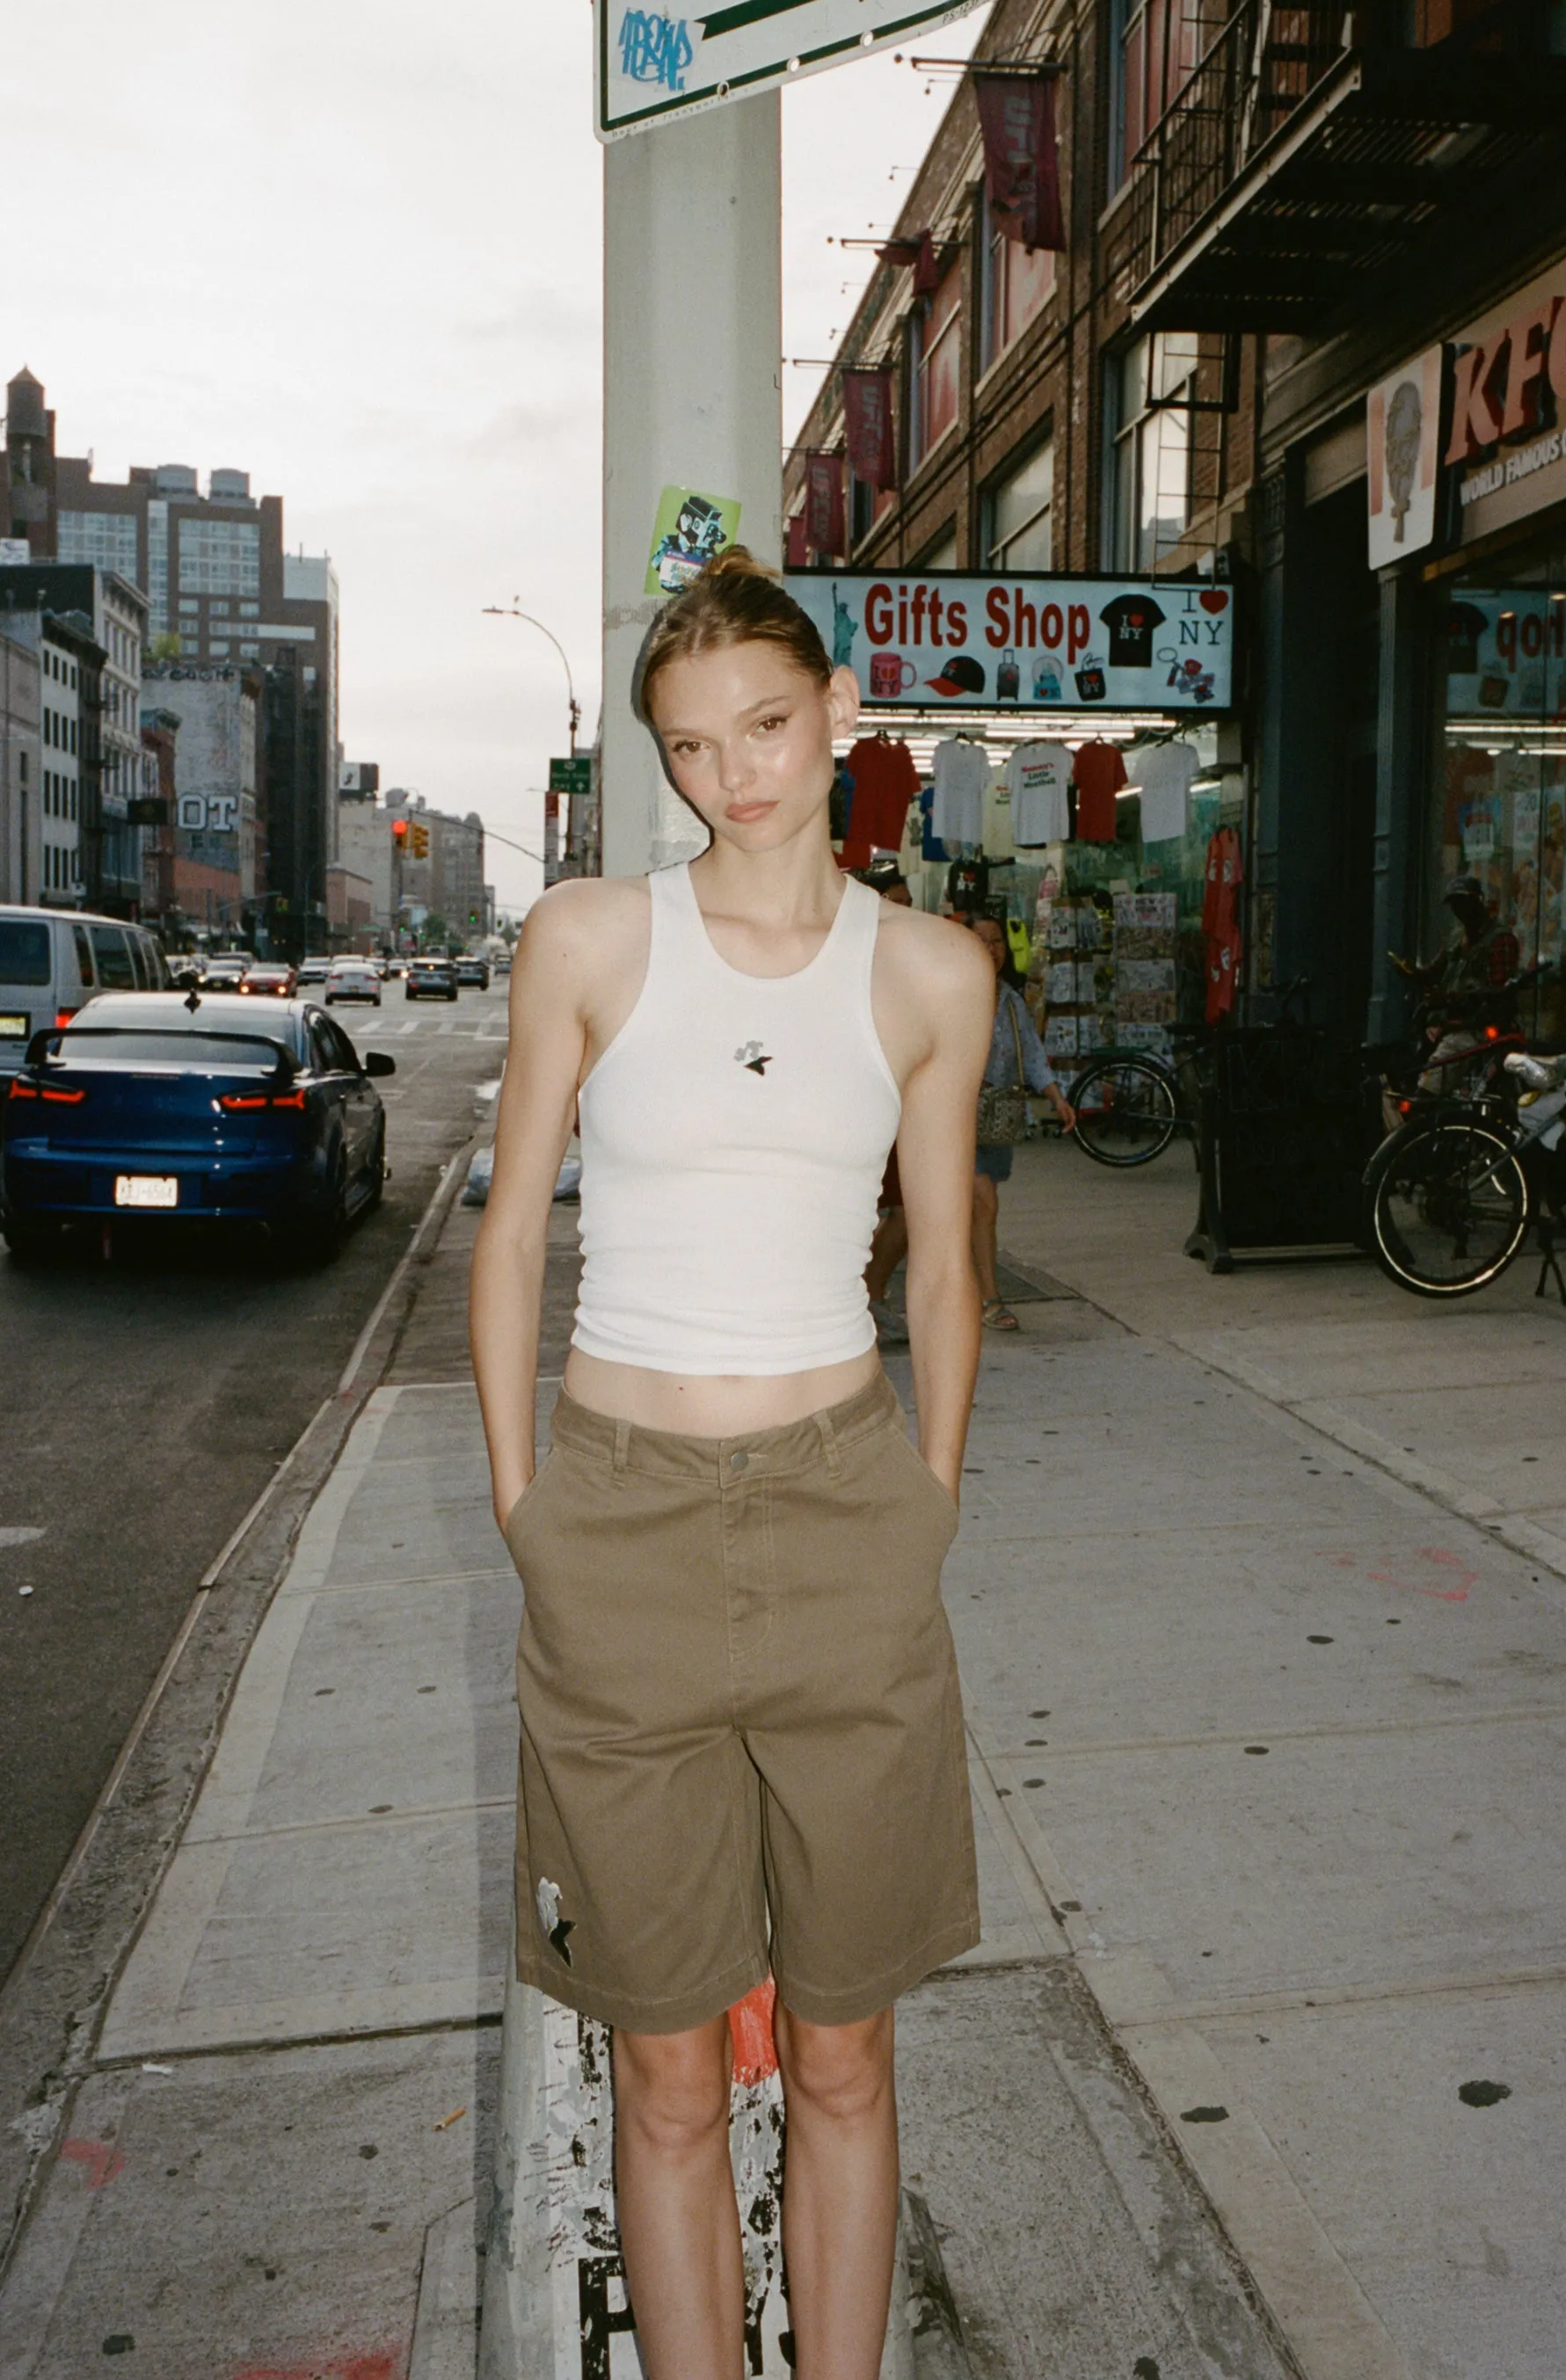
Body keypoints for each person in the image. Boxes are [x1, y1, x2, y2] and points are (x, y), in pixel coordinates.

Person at [469, 549, 992, 2380]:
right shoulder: (591, 943)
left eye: (764, 727)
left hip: (848, 1515)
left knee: (845, 2047)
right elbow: (512, 1234)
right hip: (617, 1521)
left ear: (835, 710)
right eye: (689, 748)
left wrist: (922, 1502)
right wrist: (531, 1513)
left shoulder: (928, 971)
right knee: (664, 2060)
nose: (733, 776)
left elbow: (939, 1258)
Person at [967, 912, 1075, 1331]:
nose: (991, 949)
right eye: (982, 940)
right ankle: (990, 1298)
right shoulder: (951, 993)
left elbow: (1030, 1052)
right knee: (984, 1204)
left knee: (978, 1210)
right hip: (955, 1116)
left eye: (997, 941)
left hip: (994, 1117)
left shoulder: (1009, 999)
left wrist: (1055, 1096)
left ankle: (974, 1292)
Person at [1389, 873, 1520, 1093]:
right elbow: (1433, 972)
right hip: (1448, 1021)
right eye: (1454, 905)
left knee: (1437, 1074)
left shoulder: (1500, 939)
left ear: (1478, 901)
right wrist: (1410, 973)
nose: (1459, 910)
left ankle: (1426, 1102)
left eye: (1463, 903)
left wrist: (1450, 1001)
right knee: (1399, 1061)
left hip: (1477, 1027)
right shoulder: (1455, 939)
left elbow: (1497, 993)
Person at [854, 862, 914, 1335]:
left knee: (910, 1208)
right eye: (895, 904)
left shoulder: (912, 958)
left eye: (908, 905)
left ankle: (870, 1293)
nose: (905, 915)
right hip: (852, 1105)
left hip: (898, 1105)